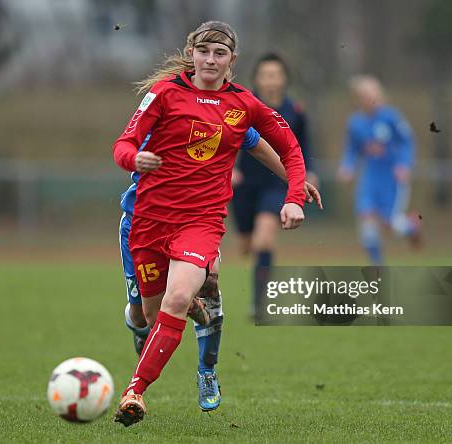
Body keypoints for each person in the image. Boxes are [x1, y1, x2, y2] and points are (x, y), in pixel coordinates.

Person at [112, 20, 307, 426]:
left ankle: (138, 391)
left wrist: (295, 191)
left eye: (220, 53)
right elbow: (123, 145)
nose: (211, 60)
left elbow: (281, 146)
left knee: (180, 296)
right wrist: (135, 159)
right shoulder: (164, 95)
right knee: (150, 315)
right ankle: (182, 314)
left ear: (232, 61)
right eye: (205, 51)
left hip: (200, 223)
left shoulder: (242, 105)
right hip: (145, 220)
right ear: (192, 54)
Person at [119, 129, 322, 412]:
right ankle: (141, 322)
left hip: (197, 223)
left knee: (209, 285)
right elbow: (129, 152)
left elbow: (257, 144)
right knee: (147, 315)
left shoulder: (226, 109)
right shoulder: (162, 108)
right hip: (142, 225)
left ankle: (207, 371)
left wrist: (294, 182)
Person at [231, 53, 319, 316]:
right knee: (248, 244)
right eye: (265, 75)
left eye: (276, 75)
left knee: (263, 241)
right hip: (244, 185)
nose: (271, 81)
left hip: (277, 184)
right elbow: (229, 137)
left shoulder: (296, 111)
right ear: (256, 79)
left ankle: (259, 303)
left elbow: (304, 147)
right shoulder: (244, 106)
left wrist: (309, 172)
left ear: (284, 80)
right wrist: (230, 169)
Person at [337, 75, 421, 265]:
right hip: (369, 179)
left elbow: (407, 142)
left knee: (389, 224)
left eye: (373, 94)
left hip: (391, 178)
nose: (370, 99)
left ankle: (411, 227)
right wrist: (347, 167)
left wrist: (404, 165)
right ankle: (377, 267)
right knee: (366, 221)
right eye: (365, 95)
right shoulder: (355, 123)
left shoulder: (391, 117)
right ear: (358, 98)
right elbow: (351, 149)